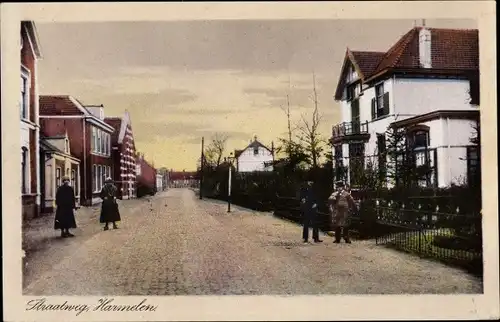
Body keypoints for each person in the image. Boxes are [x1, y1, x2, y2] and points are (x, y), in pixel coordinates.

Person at [300, 178, 323, 244]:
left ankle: (316, 238)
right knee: (306, 223)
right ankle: (305, 238)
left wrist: (316, 203)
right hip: (307, 206)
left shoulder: (315, 187)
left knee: (315, 223)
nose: (311, 182)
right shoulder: (304, 187)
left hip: (313, 206)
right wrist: (303, 200)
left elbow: (318, 196)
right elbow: (301, 196)